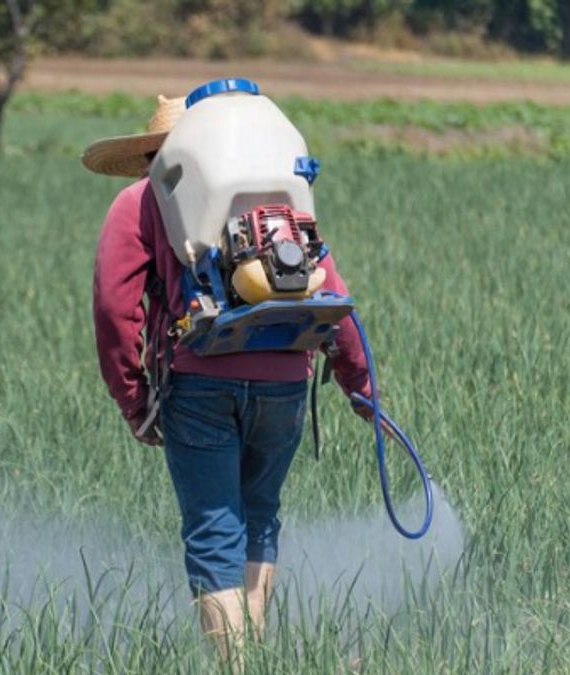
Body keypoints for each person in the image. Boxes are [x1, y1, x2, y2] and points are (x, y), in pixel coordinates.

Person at [82, 94, 373, 663]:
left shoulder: (139, 201)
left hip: (199, 382)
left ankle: (235, 667)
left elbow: (115, 310)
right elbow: (329, 289)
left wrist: (133, 399)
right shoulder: (273, 197)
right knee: (259, 519)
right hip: (286, 379)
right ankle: (256, 656)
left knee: (215, 531)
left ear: (152, 154)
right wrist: (360, 386)